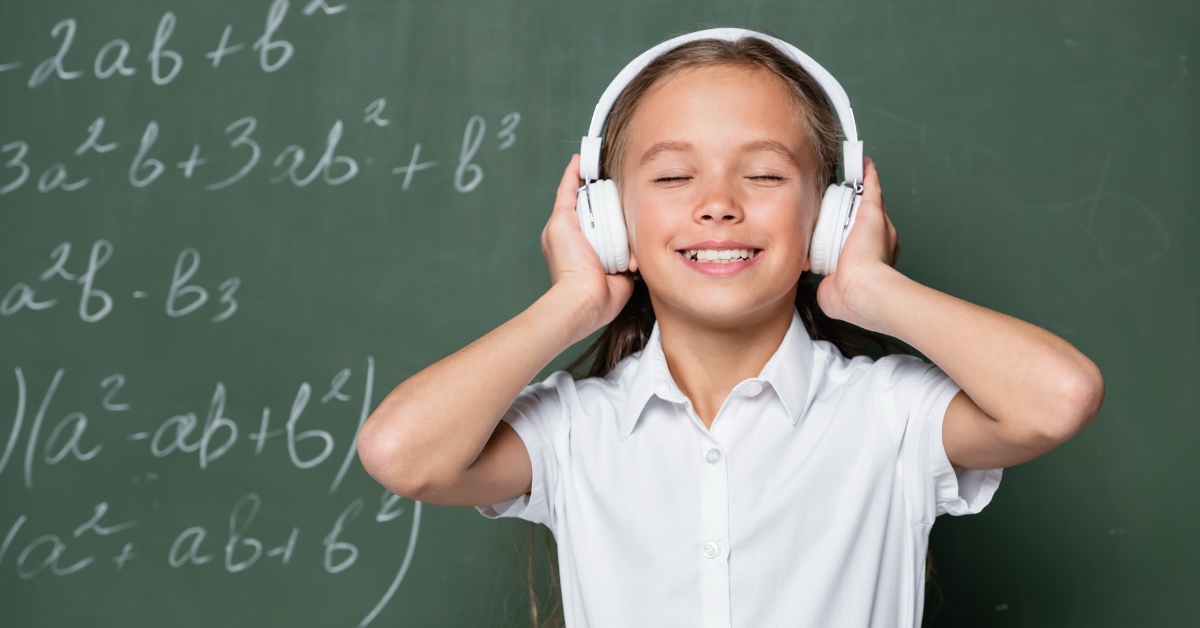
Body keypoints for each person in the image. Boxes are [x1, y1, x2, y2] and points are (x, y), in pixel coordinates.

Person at [357, 29, 1105, 628]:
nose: (718, 204)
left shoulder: (887, 416)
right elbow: (402, 453)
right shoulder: (577, 430)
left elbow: (1059, 396)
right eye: (674, 177)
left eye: (766, 175)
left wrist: (872, 287)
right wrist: (576, 300)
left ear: (830, 216)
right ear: (610, 221)